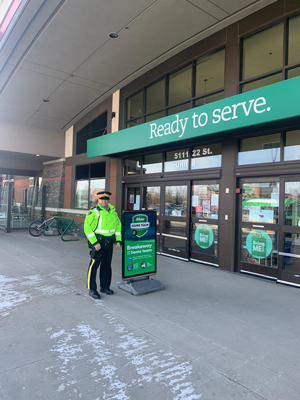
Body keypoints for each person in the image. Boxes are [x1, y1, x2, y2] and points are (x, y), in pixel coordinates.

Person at [84, 190, 121, 299]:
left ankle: (104, 287)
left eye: (106, 199)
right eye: (102, 199)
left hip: (109, 243)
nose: (104, 201)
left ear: (108, 200)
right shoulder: (93, 212)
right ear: (98, 200)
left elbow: (118, 227)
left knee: (106, 266)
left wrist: (118, 241)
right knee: (94, 266)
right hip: (98, 242)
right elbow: (87, 228)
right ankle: (92, 289)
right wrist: (95, 243)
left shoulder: (113, 212)